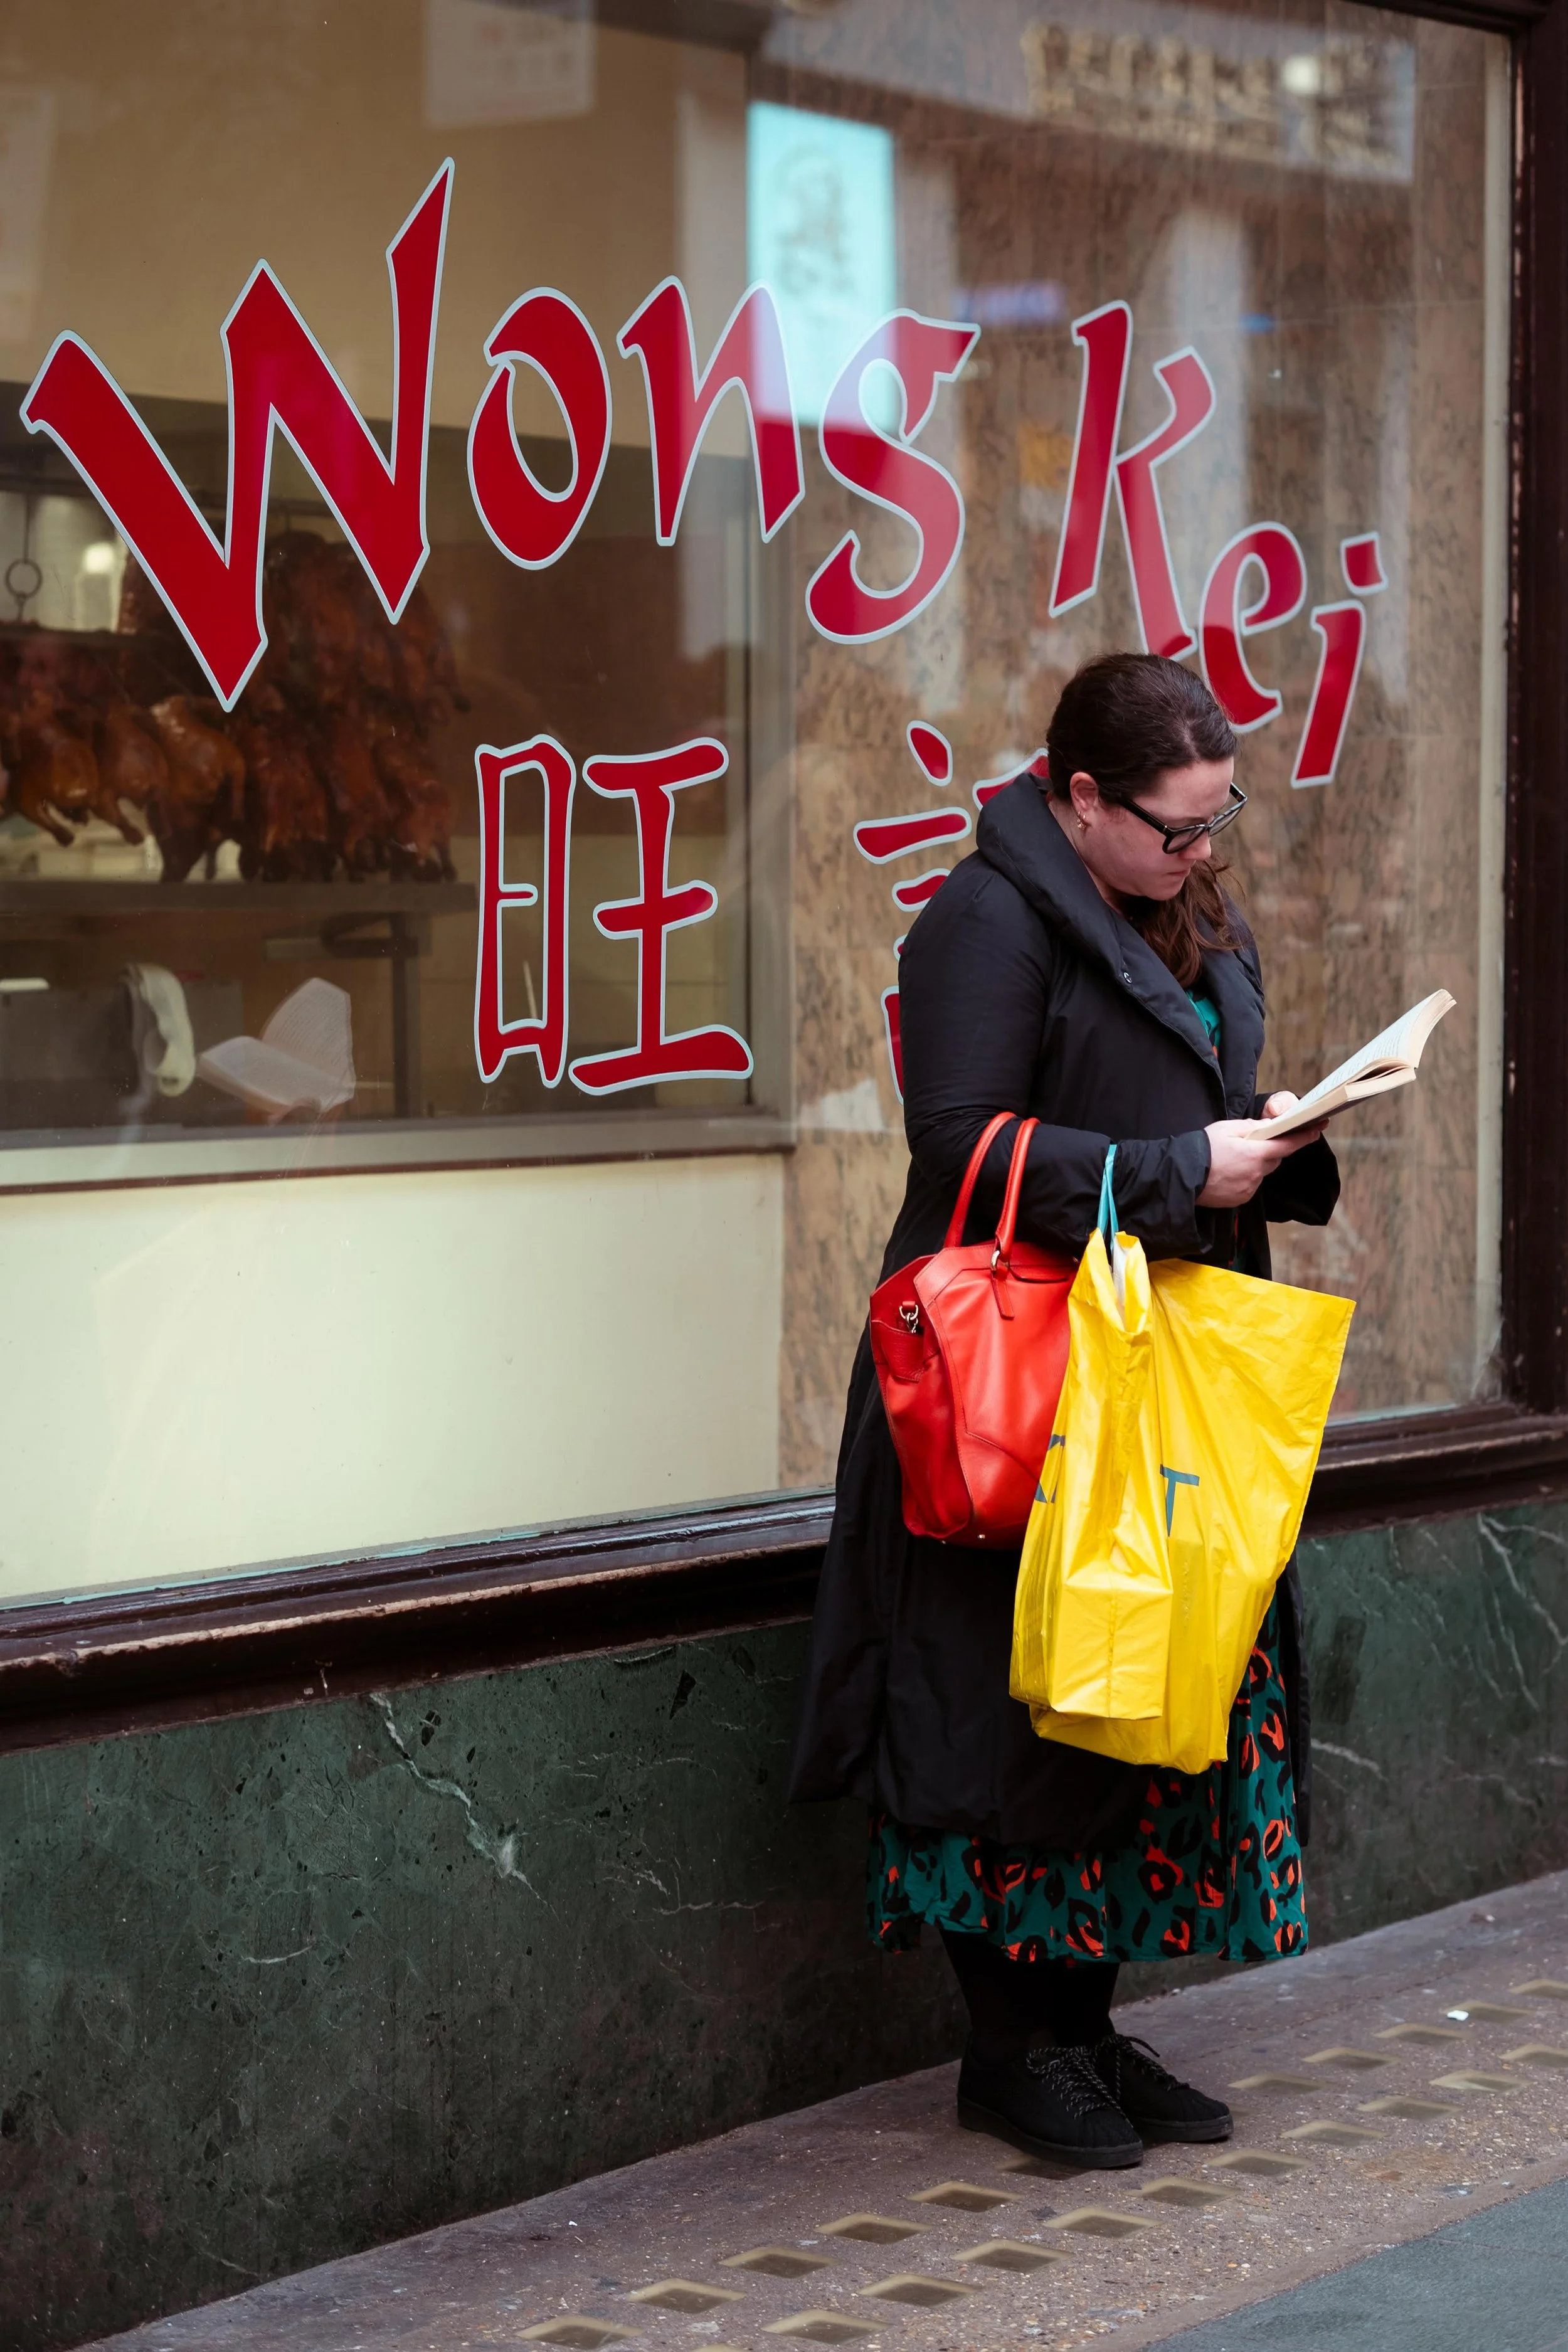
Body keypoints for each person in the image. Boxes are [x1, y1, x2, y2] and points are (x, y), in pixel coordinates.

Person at [788, 651, 1340, 2168]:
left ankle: (1082, 2034)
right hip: (1013, 1384)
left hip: (1150, 1368)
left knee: (1130, 1702)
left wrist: (1280, 1138)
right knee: (1009, 1707)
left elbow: (1184, 1079)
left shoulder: (1175, 902)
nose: (1202, 852)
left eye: (1217, 819)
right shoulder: (982, 918)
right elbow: (961, 1150)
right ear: (1080, 797)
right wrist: (1176, 1172)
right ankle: (1010, 2049)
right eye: (1174, 827)